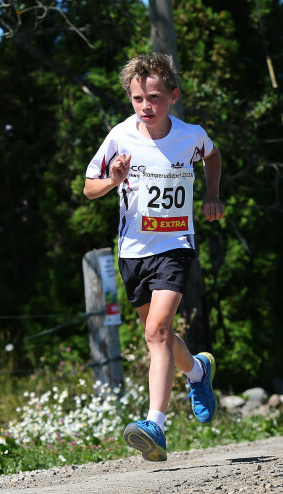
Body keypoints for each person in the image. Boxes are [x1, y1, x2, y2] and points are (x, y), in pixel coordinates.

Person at [83, 52, 224, 462]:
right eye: (138, 99)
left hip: (175, 244)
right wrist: (114, 179)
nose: (147, 107)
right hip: (133, 252)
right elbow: (88, 187)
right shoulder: (119, 138)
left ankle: (155, 427)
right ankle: (198, 371)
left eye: (155, 97)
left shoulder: (191, 135)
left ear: (173, 96)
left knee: (157, 330)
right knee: (158, 336)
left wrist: (211, 195)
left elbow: (212, 156)